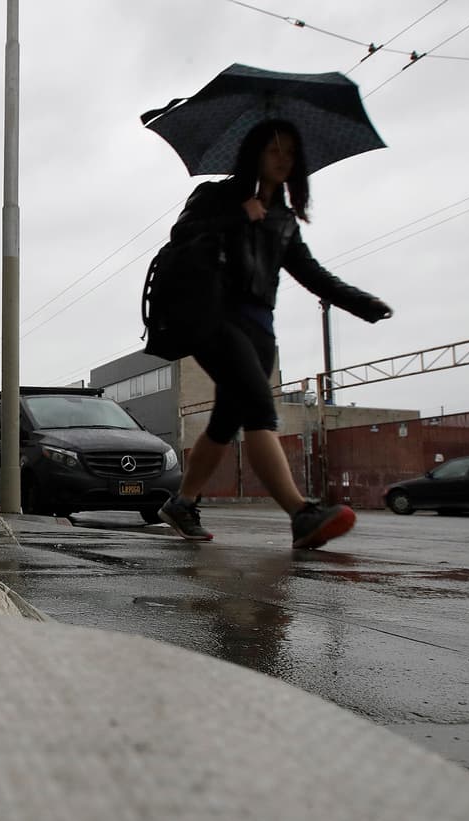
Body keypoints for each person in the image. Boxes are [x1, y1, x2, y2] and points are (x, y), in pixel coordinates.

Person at [157, 118, 393, 546]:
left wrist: (361, 303)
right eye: (274, 151)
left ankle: (182, 503)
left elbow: (311, 273)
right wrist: (236, 218)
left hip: (260, 329)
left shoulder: (283, 220)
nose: (283, 160)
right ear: (254, 155)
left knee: (226, 421)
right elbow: (181, 239)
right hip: (214, 320)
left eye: (290, 153)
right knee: (260, 411)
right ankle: (300, 513)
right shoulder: (216, 196)